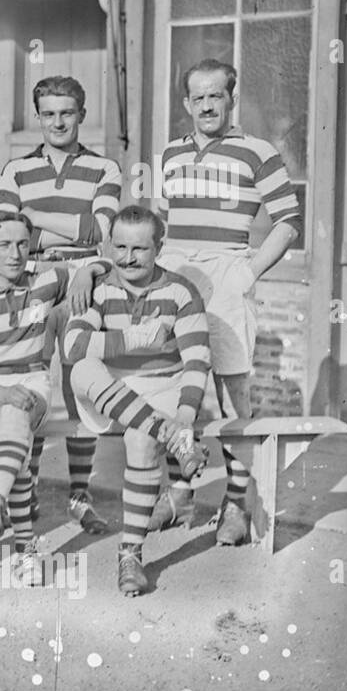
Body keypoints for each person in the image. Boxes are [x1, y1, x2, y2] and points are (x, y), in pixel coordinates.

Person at [153, 58, 303, 544]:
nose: (206, 106)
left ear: (231, 98)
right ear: (186, 104)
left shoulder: (258, 152)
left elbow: (287, 221)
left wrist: (248, 271)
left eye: (215, 95)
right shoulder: (170, 155)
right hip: (175, 271)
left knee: (231, 388)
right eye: (197, 97)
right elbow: (160, 220)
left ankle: (237, 502)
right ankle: (178, 492)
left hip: (227, 269)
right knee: (172, 384)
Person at [0, 210, 107, 585]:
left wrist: (85, 271)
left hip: (33, 383)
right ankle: (24, 547)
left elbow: (106, 262)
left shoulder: (45, 281)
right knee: (12, 433)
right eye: (4, 244)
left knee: (17, 415)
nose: (15, 254)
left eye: (22, 244)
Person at [0, 76, 122, 535]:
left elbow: (98, 230)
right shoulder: (15, 171)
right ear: (38, 117)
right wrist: (59, 230)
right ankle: (18, 493)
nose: (57, 122)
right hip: (30, 282)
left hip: (84, 282)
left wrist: (36, 222)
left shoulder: (105, 168)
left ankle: (79, 496)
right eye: (48, 113)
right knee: (27, 381)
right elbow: (9, 232)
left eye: (67, 112)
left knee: (80, 386)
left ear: (82, 114)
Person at [64, 205, 212, 595]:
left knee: (141, 439)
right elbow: (74, 345)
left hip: (161, 387)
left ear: (159, 248)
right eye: (120, 247)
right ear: (109, 245)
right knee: (81, 369)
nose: (128, 258)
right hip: (109, 389)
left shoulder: (180, 290)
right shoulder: (98, 287)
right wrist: (138, 338)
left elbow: (197, 358)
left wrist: (184, 413)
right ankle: (170, 435)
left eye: (140, 249)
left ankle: (130, 554)